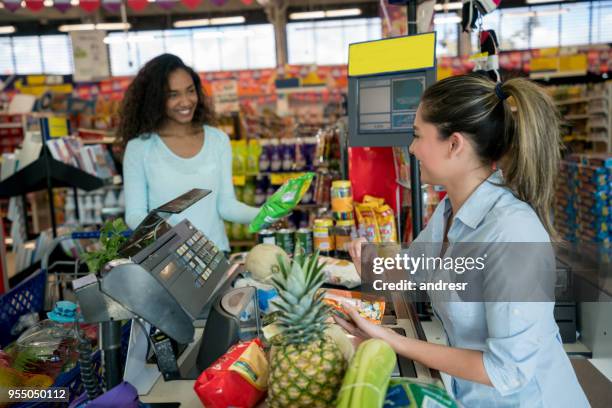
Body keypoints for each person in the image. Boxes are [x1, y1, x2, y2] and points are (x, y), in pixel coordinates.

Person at [337, 74, 589, 407]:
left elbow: (507, 371)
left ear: (454, 144)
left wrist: (391, 341)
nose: (412, 149)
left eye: (417, 136)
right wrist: (369, 264)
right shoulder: (449, 211)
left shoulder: (511, 231)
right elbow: (414, 272)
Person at [118, 54, 258, 252]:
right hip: (168, 262)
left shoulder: (217, 140)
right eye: (173, 95)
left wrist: (264, 215)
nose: (185, 101)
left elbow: (226, 205)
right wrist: (175, 238)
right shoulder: (140, 148)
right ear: (155, 99)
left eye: (190, 91)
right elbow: (135, 214)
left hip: (217, 255)